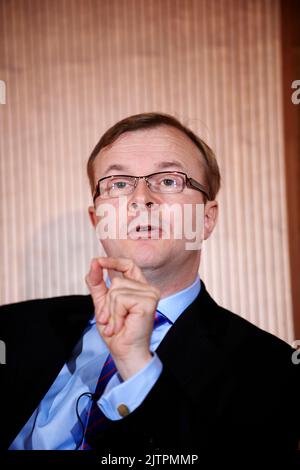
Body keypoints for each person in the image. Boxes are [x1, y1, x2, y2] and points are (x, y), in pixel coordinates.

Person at [0, 113, 299, 464]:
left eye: (170, 180)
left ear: (206, 219)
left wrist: (137, 367)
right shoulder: (11, 328)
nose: (141, 197)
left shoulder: (271, 369)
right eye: (119, 184)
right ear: (97, 220)